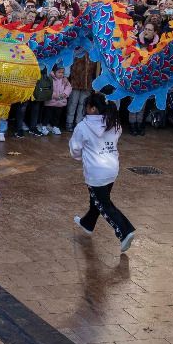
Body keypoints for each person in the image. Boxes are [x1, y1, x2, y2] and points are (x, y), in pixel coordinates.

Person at [70, 97, 137, 252]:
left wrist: (83, 156)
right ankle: (87, 223)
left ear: (93, 109)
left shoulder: (82, 127)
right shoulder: (114, 123)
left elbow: (75, 150)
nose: (85, 108)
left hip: (96, 171)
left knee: (104, 204)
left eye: (87, 106)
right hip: (112, 168)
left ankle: (125, 231)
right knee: (98, 200)